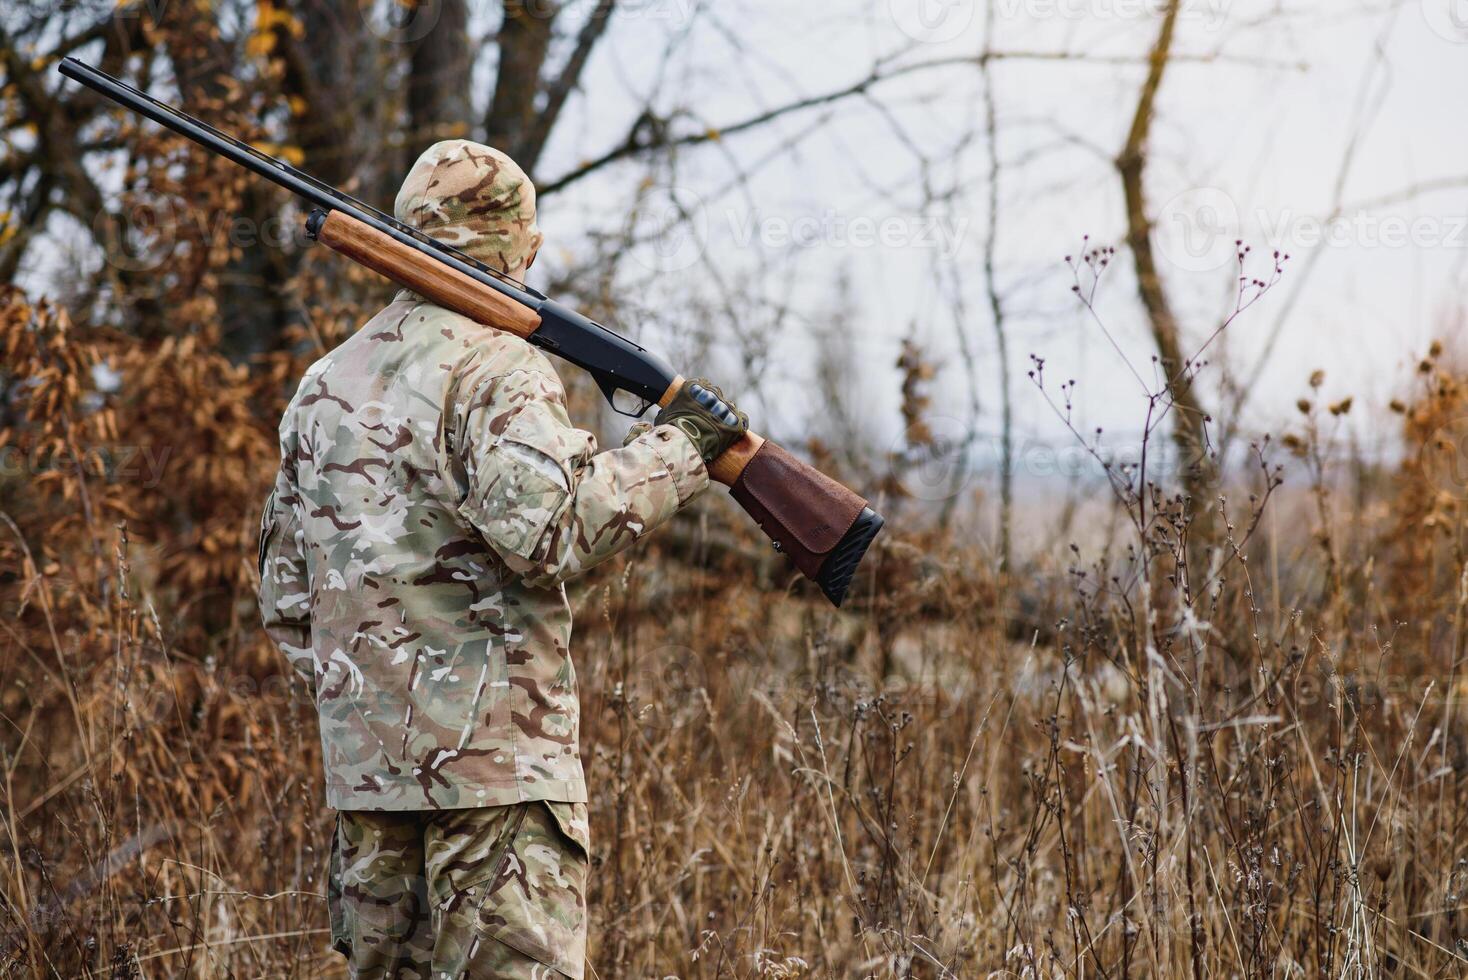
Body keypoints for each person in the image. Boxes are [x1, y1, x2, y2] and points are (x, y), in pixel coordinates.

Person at [256, 139, 746, 979]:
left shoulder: (324, 383)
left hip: (370, 796)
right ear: (523, 244)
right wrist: (685, 450)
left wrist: (379, 705)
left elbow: (285, 597)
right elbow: (555, 530)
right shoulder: (497, 365)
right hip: (500, 792)